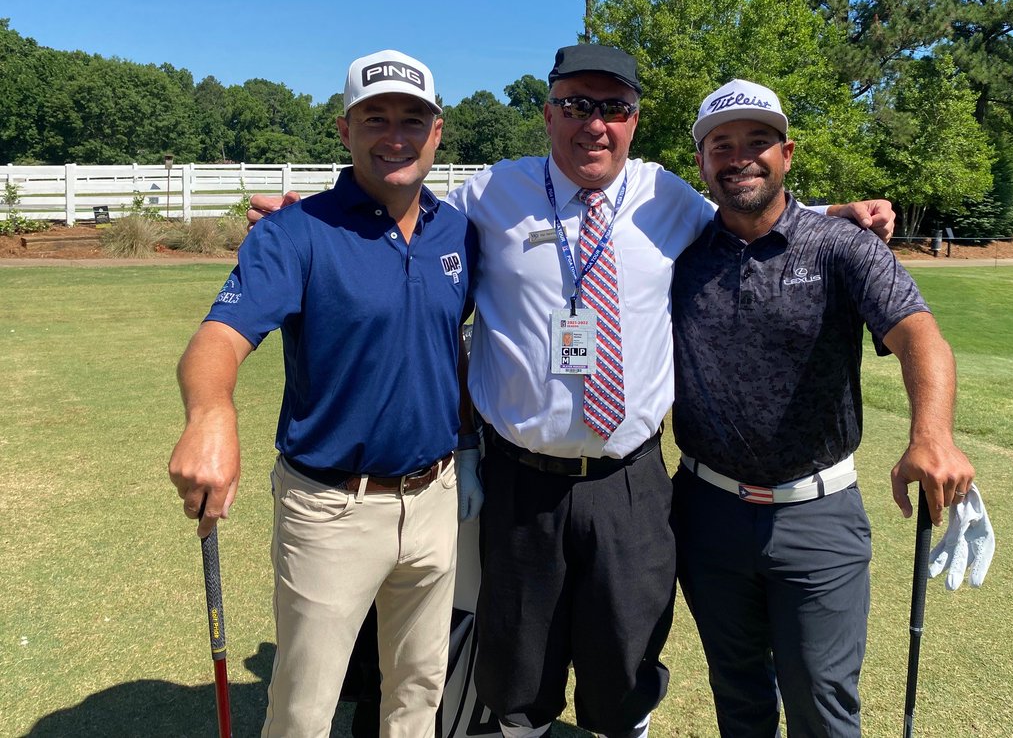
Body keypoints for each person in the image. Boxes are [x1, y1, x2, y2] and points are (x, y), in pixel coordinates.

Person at [249, 45, 895, 738]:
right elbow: (399, 207)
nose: (595, 124)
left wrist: (835, 212)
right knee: (518, 670)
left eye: (614, 108)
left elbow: (746, 212)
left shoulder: (664, 195)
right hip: (519, 480)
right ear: (548, 113)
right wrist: (314, 216)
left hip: (630, 481)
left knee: (625, 668)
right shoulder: (493, 192)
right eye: (576, 105)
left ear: (635, 119)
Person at [169, 48, 482, 738]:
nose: (395, 136)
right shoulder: (294, 233)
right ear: (344, 130)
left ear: (437, 132)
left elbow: (448, 343)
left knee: (418, 691)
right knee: (305, 708)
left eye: (412, 119)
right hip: (331, 509)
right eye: (375, 119)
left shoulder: (458, 231)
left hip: (435, 498)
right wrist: (211, 412)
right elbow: (218, 339)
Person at [669, 79, 983, 738]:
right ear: (700, 162)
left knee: (821, 701)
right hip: (706, 513)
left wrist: (932, 434)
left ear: (786, 154)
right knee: (739, 695)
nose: (739, 158)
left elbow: (919, 334)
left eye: (758, 142)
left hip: (816, 515)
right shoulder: (681, 253)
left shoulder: (842, 246)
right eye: (721, 145)